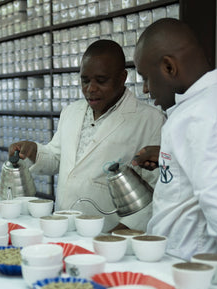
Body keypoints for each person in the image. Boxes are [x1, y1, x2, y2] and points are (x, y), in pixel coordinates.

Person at [132, 18, 217, 264]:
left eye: (145, 78)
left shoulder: (198, 115)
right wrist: (172, 158)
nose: (145, 90)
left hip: (193, 268)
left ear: (169, 67)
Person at [9, 39, 165, 233]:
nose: (91, 88)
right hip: (64, 228)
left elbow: (156, 192)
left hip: (111, 234)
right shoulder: (71, 112)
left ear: (122, 77)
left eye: (101, 81)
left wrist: (119, 234)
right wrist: (34, 151)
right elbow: (58, 157)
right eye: (85, 80)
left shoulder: (150, 120)